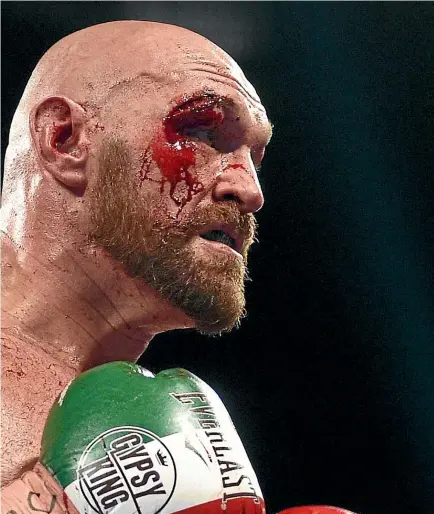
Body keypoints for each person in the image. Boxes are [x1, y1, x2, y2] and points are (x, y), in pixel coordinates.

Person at [1, 20, 272, 487]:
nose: (249, 190)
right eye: (202, 132)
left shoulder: (162, 449)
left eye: (256, 157)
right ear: (64, 140)